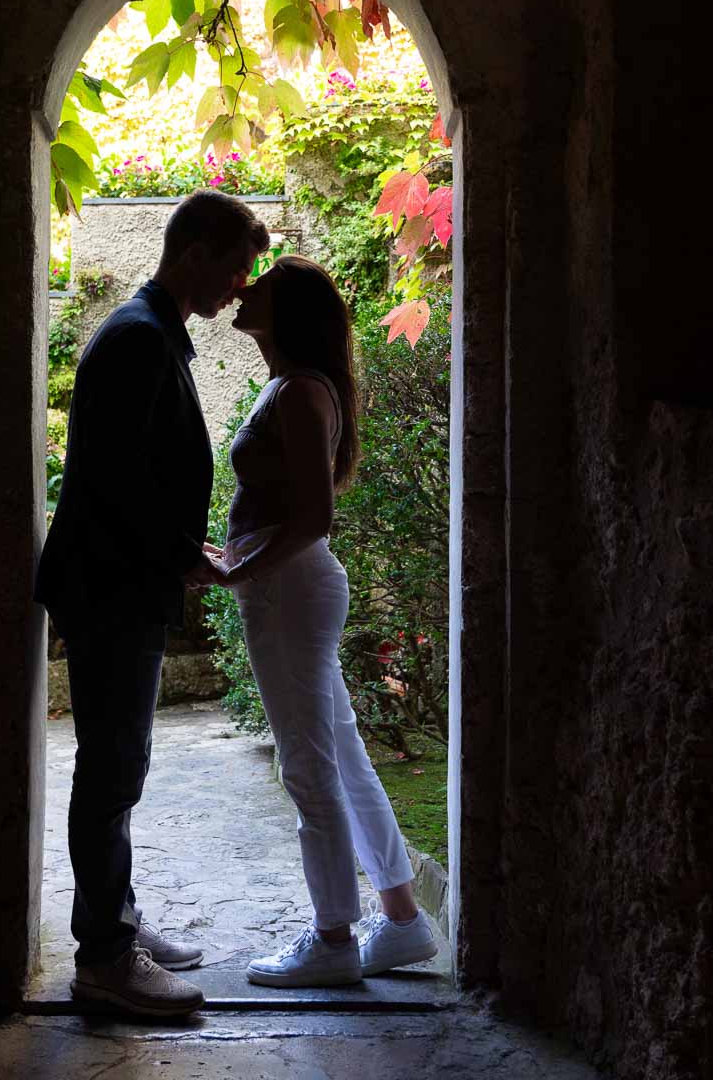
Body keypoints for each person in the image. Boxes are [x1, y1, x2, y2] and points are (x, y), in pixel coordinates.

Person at [35, 190, 269, 1016]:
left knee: (120, 762)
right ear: (194, 248)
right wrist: (183, 557)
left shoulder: (149, 331)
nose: (241, 287)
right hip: (110, 584)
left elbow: (140, 477)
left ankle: (117, 925)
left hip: (117, 576)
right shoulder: (139, 337)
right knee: (110, 765)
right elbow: (119, 485)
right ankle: (104, 956)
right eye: (237, 265)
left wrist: (184, 550)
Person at [201, 256, 438, 987]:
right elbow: (288, 510)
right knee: (341, 755)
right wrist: (234, 548)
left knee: (306, 766)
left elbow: (313, 515)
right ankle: (402, 921)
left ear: (290, 309)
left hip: (286, 593)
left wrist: (239, 568)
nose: (243, 287)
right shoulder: (293, 385)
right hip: (288, 587)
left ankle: (333, 938)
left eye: (261, 283)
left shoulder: (300, 392)